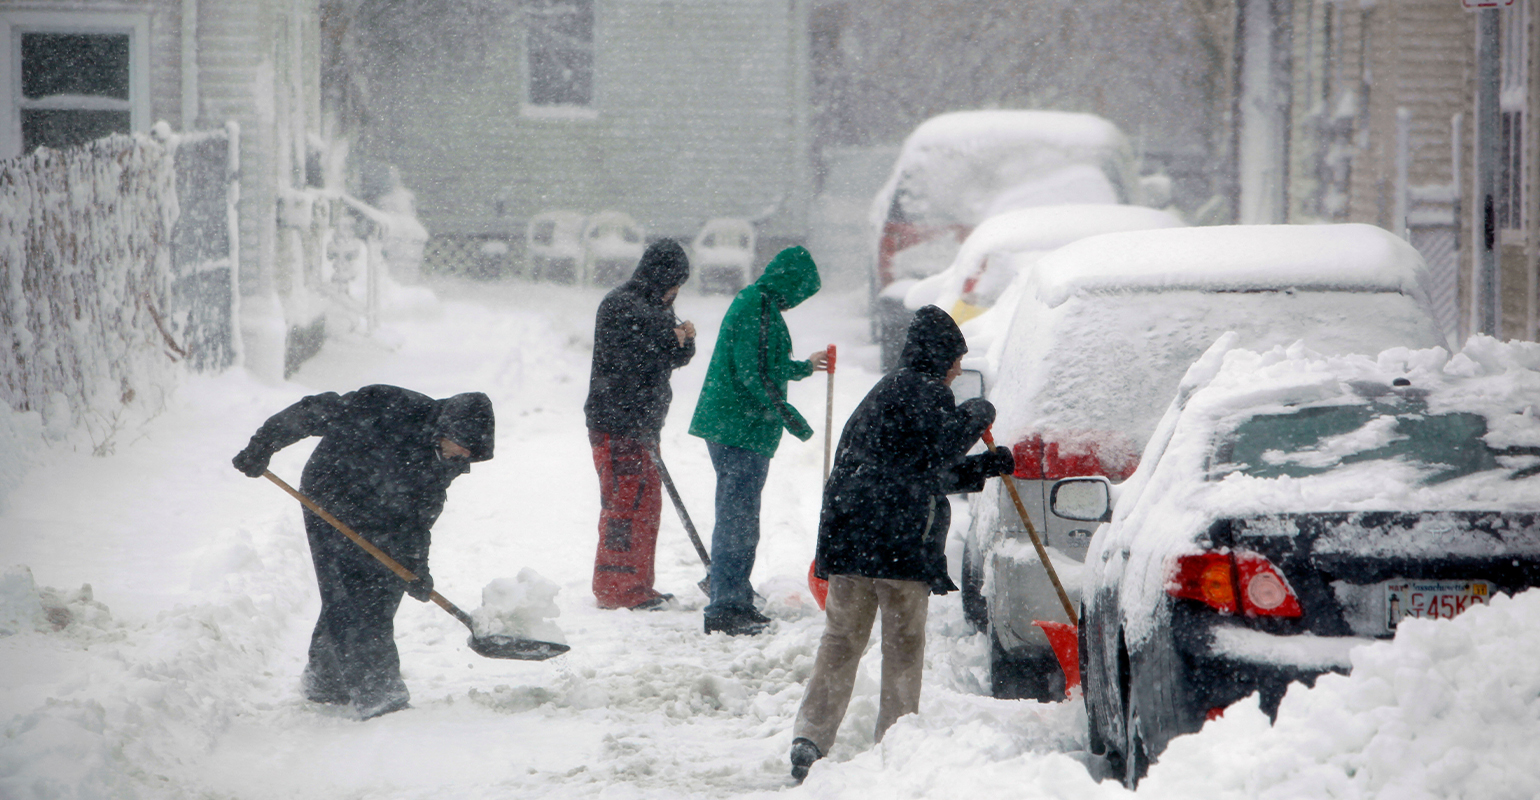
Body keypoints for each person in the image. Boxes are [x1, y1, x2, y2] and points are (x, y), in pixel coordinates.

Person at [788, 305, 1014, 782]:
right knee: (904, 645)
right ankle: (895, 741)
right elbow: (942, 448)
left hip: (853, 538)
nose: (956, 370)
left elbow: (925, 468)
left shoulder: (886, 392)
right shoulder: (925, 391)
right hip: (896, 543)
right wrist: (978, 412)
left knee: (841, 641)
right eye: (955, 360)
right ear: (939, 356)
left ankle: (810, 736)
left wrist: (987, 468)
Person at [231, 385, 495, 720]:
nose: (464, 458)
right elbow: (314, 411)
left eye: (471, 454)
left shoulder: (448, 458)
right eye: (463, 448)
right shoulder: (388, 406)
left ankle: (326, 679)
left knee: (382, 590)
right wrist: (262, 445)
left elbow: (418, 521)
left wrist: (416, 570)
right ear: (448, 427)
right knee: (352, 590)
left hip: (383, 513)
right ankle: (380, 696)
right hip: (331, 495)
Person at [689, 245, 827, 636]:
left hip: (738, 427)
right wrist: (790, 418)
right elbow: (754, 373)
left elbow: (767, 363)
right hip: (739, 429)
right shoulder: (758, 307)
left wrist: (803, 367)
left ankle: (732, 594)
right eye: (802, 291)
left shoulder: (760, 304)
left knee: (738, 516)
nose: (798, 301)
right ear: (792, 281)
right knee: (738, 520)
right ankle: (727, 606)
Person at [584, 238, 696, 610]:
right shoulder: (621, 305)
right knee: (624, 506)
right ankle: (616, 588)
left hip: (645, 426)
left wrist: (683, 342)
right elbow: (629, 358)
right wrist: (670, 337)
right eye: (673, 284)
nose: (675, 293)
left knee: (646, 507)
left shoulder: (654, 307)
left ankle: (638, 584)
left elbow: (663, 357)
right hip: (618, 425)